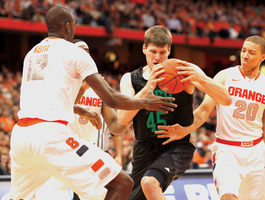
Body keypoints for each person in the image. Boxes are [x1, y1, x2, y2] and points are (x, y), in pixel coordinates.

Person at [8, 6, 177, 200]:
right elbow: (112, 98)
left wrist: (82, 110)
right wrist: (146, 102)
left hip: (22, 134)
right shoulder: (74, 53)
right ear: (68, 26)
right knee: (123, 183)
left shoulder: (31, 54)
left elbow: (51, 100)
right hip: (52, 136)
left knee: (19, 196)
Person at [155, 35, 265, 199]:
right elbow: (203, 111)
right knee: (228, 196)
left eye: (251, 52)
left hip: (256, 153)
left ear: (263, 57)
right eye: (243, 50)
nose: (245, 55)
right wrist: (185, 130)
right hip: (226, 150)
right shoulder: (224, 76)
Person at [117, 25, 232, 200]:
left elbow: (226, 99)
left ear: (169, 50)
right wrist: (148, 88)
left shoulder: (183, 70)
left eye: (162, 52)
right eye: (153, 51)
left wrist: (199, 78)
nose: (157, 57)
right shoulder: (131, 79)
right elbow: (122, 118)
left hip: (176, 146)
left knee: (149, 182)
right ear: (144, 49)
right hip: (144, 149)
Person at [34, 39, 127, 200]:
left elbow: (113, 125)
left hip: (87, 153)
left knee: (109, 191)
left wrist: (128, 118)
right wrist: (83, 89)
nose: (85, 56)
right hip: (60, 150)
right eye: (80, 52)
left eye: (88, 52)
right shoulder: (60, 82)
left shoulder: (100, 86)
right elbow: (59, 108)